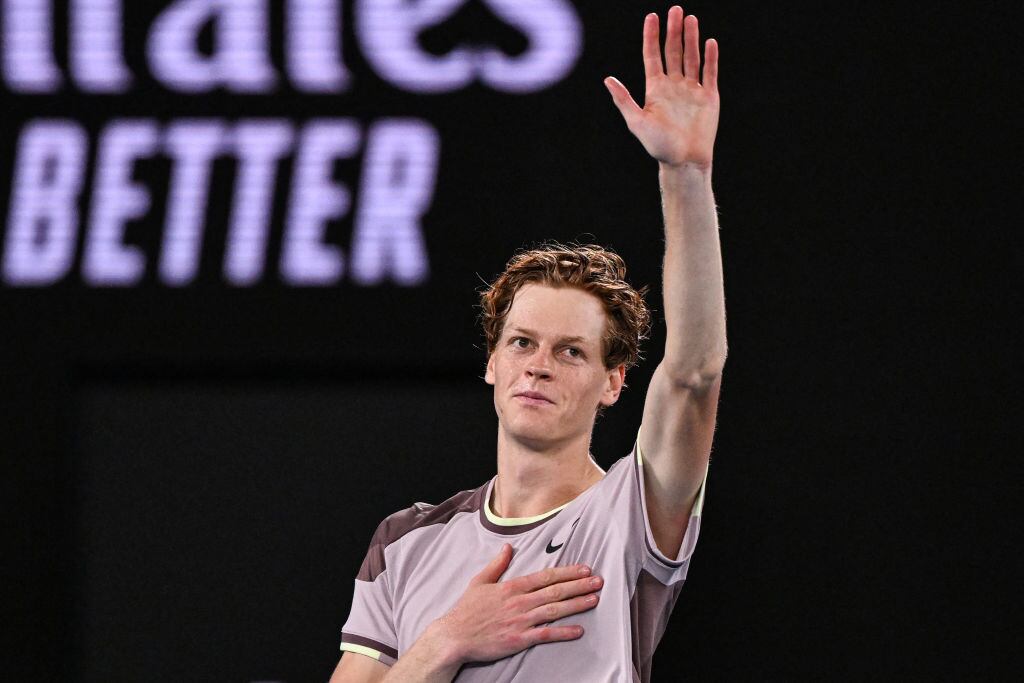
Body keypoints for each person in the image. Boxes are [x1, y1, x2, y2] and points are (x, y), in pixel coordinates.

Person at [330, 5, 725, 681]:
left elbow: (693, 371)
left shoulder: (631, 511)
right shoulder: (406, 541)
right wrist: (447, 638)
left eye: (572, 350)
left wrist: (684, 175)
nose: (538, 365)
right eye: (521, 342)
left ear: (613, 381)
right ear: (491, 362)